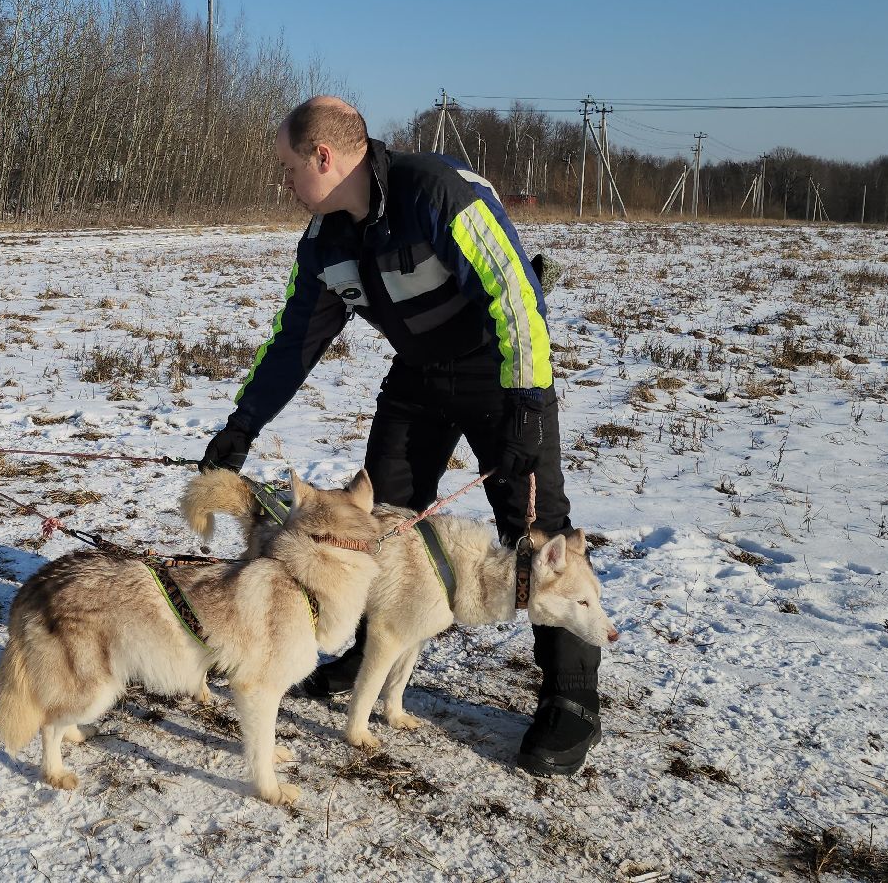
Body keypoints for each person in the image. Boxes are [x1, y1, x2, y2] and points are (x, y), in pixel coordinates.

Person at [200, 96, 596, 777]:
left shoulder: (438, 193)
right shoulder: (327, 240)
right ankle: (366, 644)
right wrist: (242, 426)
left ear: (325, 156)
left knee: (536, 527)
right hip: (418, 376)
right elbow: (295, 341)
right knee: (381, 516)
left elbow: (516, 296)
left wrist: (528, 404)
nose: (285, 181)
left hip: (499, 374)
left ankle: (571, 697)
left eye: (289, 166)